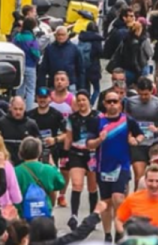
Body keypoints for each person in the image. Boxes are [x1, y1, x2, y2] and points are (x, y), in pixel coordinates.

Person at [86, 87, 144, 242]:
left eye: (115, 101)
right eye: (109, 101)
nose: (112, 104)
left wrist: (135, 140)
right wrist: (99, 140)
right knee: (106, 202)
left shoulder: (127, 120)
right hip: (103, 166)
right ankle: (107, 234)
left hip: (122, 165)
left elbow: (140, 134)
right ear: (104, 104)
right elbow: (89, 144)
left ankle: (120, 229)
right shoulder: (97, 121)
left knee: (118, 197)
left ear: (120, 104)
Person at [125, 76, 158, 182]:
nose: (144, 97)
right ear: (137, 91)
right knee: (139, 178)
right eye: (141, 94)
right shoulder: (130, 103)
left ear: (151, 91)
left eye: (147, 94)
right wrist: (130, 137)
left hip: (155, 142)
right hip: (138, 144)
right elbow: (125, 122)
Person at [64, 89, 99, 230]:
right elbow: (68, 137)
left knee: (92, 187)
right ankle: (74, 215)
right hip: (76, 153)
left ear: (89, 100)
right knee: (77, 184)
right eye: (78, 100)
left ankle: (92, 216)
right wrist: (64, 155)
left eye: (83, 100)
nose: (81, 103)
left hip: (92, 154)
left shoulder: (98, 116)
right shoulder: (72, 118)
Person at [115, 164, 158, 231]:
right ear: (145, 181)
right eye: (151, 181)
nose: (154, 185)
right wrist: (126, 236)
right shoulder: (133, 199)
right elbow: (119, 219)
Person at [14, 137, 66, 219]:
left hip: (23, 213)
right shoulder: (48, 169)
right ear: (39, 152)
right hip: (44, 211)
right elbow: (60, 183)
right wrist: (53, 167)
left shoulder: (16, 171)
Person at [0, 97, 41, 166]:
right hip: (6, 162)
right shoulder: (1, 123)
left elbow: (39, 144)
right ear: (10, 108)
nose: (18, 112)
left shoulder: (31, 124)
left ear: (24, 108)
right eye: (15, 109)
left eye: (20, 109)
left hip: (26, 164)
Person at [12, 17, 41, 110]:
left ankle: (17, 107)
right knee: (30, 90)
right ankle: (28, 111)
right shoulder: (32, 39)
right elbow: (36, 53)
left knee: (20, 88)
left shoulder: (18, 37)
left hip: (19, 66)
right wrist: (36, 60)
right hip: (30, 66)